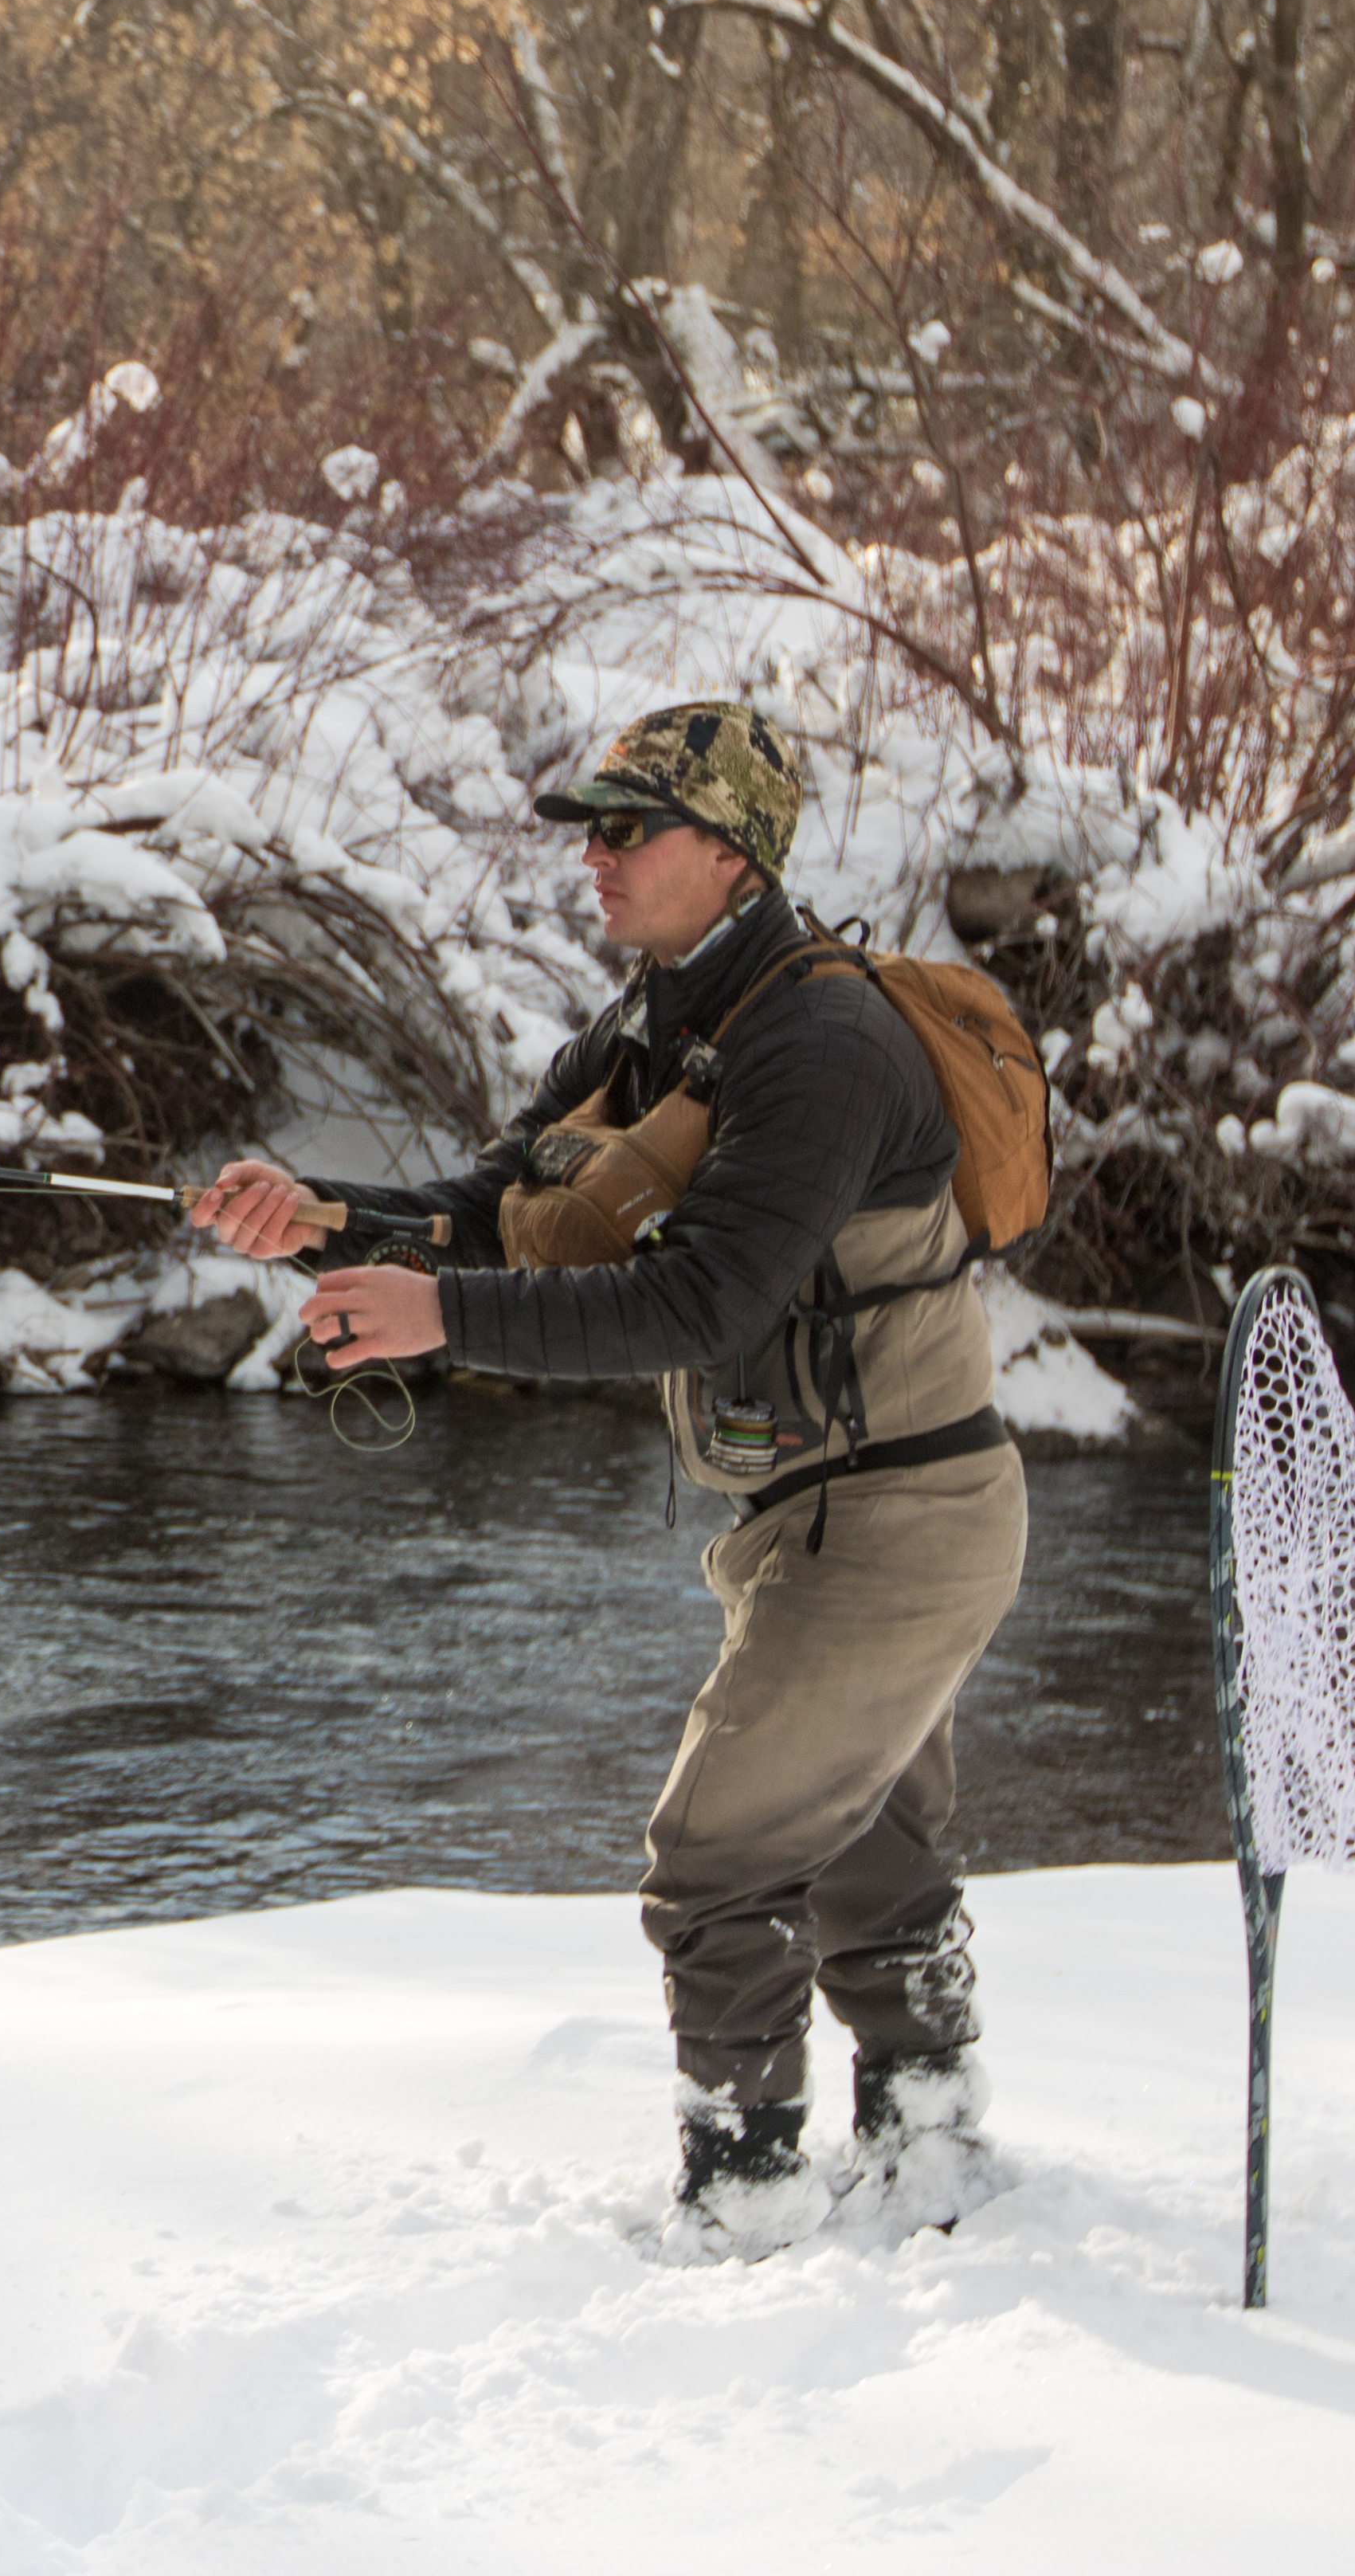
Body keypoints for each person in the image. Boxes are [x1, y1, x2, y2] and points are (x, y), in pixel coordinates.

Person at [186, 700, 1025, 2246]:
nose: (596, 854)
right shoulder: (656, 1023)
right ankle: (936, 2152)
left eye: (627, 826)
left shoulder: (824, 1042)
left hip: (906, 1514)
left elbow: (705, 1300)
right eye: (592, 823)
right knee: (866, 1853)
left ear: (731, 850)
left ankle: (748, 2203)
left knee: (714, 1858)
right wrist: (319, 1217)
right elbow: (487, 1207)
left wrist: (440, 1319)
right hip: (828, 1508)